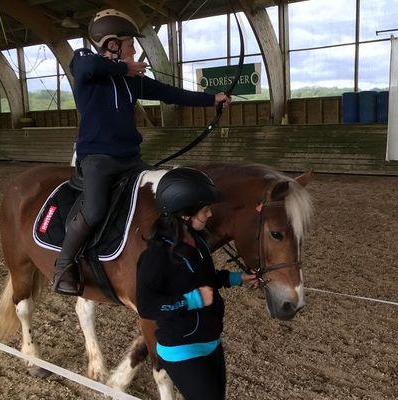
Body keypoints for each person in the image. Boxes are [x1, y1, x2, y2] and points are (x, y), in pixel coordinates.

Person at [53, 9, 231, 295]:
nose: (134, 49)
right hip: (98, 159)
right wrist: (126, 68)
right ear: (112, 44)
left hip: (130, 160)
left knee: (165, 197)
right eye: (129, 43)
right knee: (95, 209)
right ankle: (63, 266)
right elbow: (87, 68)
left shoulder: (131, 81)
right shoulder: (84, 61)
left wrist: (212, 99)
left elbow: (170, 93)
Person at [136, 167, 257, 400]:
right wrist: (191, 300)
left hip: (212, 340)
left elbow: (204, 278)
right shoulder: (156, 256)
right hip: (181, 349)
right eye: (205, 210)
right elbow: (147, 306)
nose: (210, 214)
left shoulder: (198, 240)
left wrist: (235, 278)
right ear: (184, 215)